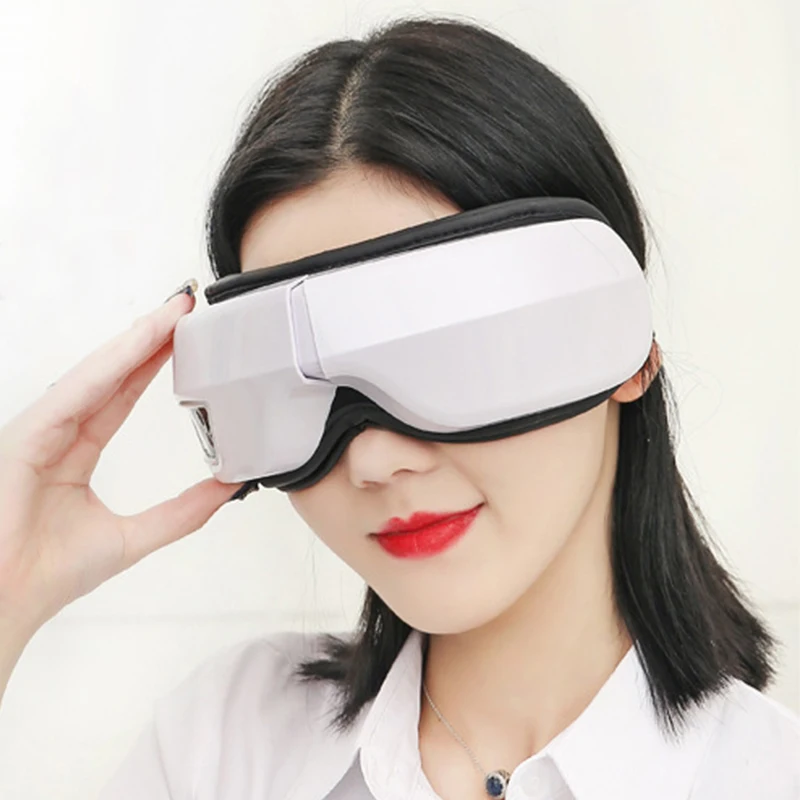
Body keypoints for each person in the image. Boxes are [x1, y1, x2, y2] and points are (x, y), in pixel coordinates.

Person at [1, 15, 797, 800]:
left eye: (447, 352)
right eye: (297, 387)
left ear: (624, 341)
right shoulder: (225, 746)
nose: (375, 460)